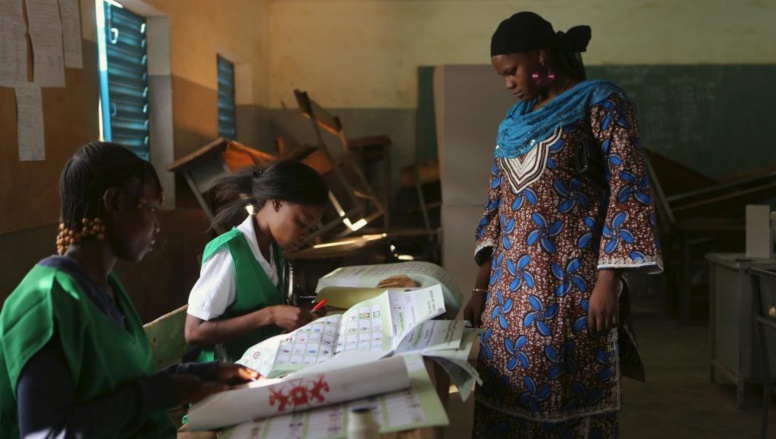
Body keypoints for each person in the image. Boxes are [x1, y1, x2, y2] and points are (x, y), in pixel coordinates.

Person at [463, 12, 662, 438]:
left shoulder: (601, 103)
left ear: (541, 55)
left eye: (512, 71)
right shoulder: (512, 123)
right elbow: (497, 206)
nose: (508, 83)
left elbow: (628, 191)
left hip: (573, 292)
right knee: (506, 404)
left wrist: (608, 280)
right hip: (507, 301)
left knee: (569, 404)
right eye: (502, 75)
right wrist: (481, 286)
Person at [0, 142, 258, 438]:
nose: (156, 225)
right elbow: (47, 432)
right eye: (150, 208)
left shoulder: (106, 286)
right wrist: (157, 393)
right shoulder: (47, 300)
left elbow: (125, 383)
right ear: (115, 203)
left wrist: (209, 372)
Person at [185, 160, 329, 362]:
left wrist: (299, 315)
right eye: (302, 223)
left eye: (311, 228)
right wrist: (270, 315)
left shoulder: (273, 250)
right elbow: (193, 332)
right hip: (227, 371)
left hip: (264, 360)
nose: (306, 235)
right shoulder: (230, 253)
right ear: (276, 202)